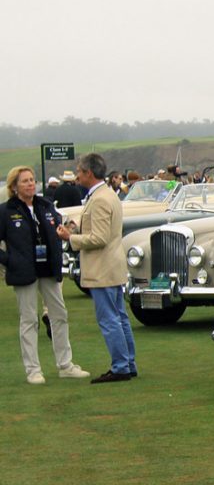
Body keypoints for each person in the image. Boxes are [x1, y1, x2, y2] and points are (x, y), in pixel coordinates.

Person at [55, 153, 137, 383]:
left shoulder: (100, 198)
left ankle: (121, 366)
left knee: (110, 319)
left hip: (103, 268)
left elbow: (99, 238)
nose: (77, 176)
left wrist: (71, 238)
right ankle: (128, 363)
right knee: (119, 317)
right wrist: (77, 229)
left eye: (79, 172)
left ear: (89, 173)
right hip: (112, 266)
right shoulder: (107, 195)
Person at [2, 167, 87, 383]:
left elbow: (58, 230)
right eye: (25, 181)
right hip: (24, 272)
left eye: (32, 180)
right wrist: (10, 261)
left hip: (48, 270)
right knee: (29, 320)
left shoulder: (46, 206)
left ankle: (65, 365)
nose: (30, 184)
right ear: (14, 186)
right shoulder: (5, 211)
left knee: (59, 315)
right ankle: (33, 370)